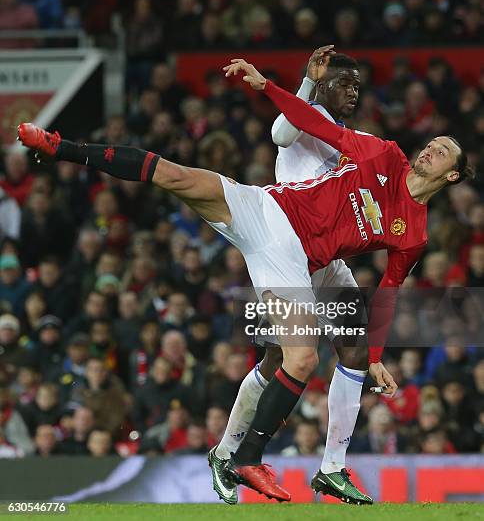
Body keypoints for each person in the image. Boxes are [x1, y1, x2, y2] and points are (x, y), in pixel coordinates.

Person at [17, 51, 474, 500]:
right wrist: (269, 87)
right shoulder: (384, 153)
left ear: (452, 176)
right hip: (269, 211)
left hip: (304, 260)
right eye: (434, 142)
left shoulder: (412, 234)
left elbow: (391, 290)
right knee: (174, 176)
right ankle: (61, 147)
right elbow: (310, 125)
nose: (431, 147)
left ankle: (317, 465)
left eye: (443, 152)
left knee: (316, 355)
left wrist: (376, 354)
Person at [209, 48, 382, 505]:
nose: (354, 91)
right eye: (346, 83)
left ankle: (332, 468)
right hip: (285, 252)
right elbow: (280, 130)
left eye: (358, 86)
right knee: (279, 361)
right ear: (324, 86)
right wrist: (305, 85)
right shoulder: (308, 118)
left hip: (323, 259)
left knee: (355, 347)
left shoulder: (348, 137)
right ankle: (226, 452)